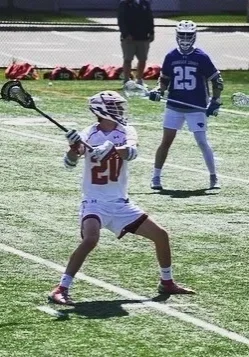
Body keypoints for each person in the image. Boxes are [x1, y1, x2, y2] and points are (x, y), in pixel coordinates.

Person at [48, 90, 195, 305]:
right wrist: (72, 148)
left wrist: (111, 149)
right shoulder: (88, 133)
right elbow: (69, 163)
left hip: (120, 203)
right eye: (115, 106)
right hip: (95, 202)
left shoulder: (126, 131)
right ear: (102, 110)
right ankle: (61, 288)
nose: (120, 110)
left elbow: (132, 152)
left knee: (161, 235)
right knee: (90, 239)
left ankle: (167, 281)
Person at [149, 20, 223, 191]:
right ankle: (156, 177)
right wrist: (158, 91)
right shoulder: (171, 56)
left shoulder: (201, 57)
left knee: (202, 141)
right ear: (176, 35)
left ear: (194, 36)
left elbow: (217, 81)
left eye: (188, 35)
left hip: (196, 107)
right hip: (174, 105)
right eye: (182, 34)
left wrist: (215, 101)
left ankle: (213, 177)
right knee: (166, 141)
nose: (185, 38)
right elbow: (164, 80)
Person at [118, 0, 154, 87]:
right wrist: (126, 34)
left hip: (143, 37)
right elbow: (121, 20)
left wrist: (152, 32)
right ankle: (126, 80)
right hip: (129, 39)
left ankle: (139, 79)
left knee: (142, 59)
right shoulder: (124, 4)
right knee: (127, 59)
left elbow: (150, 19)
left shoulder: (145, 3)